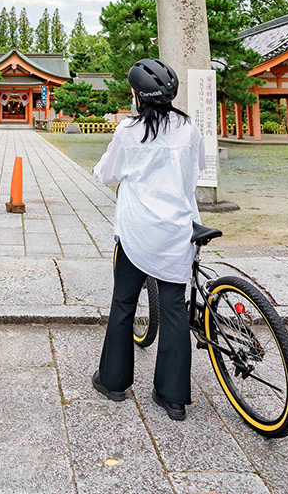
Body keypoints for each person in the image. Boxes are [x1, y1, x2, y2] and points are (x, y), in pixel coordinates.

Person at [90, 57, 202, 421]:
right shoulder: (188, 129)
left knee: (124, 302)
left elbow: (108, 172)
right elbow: (195, 170)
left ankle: (114, 381)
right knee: (173, 310)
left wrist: (102, 170)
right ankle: (173, 398)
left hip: (137, 231)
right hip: (176, 230)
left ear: (137, 96)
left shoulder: (128, 131)